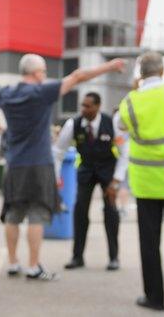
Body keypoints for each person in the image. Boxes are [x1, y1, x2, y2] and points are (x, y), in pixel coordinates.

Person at [0, 54, 125, 282]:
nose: (44, 75)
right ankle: (33, 266)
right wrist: (110, 66)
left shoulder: (6, 93)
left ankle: (13, 263)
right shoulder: (42, 92)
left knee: (13, 214)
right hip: (39, 164)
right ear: (36, 73)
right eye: (43, 71)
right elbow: (78, 76)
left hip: (14, 164)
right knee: (37, 214)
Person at [117, 52, 164, 311]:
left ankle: (155, 298)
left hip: (147, 184)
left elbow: (119, 125)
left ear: (140, 74)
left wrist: (134, 91)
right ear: (162, 71)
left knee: (149, 244)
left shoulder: (131, 101)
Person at [55, 92, 128, 271]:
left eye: (88, 106)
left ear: (97, 106)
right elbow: (58, 151)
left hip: (107, 171)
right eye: (83, 106)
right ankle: (77, 257)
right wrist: (56, 177)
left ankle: (114, 258)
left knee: (111, 212)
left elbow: (125, 152)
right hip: (86, 170)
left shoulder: (112, 123)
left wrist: (116, 181)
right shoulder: (74, 124)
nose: (84, 109)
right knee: (80, 211)